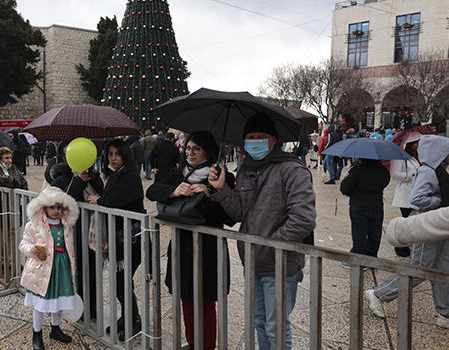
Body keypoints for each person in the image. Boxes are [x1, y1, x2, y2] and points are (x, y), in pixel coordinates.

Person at [208, 113, 316, 350]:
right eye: (250, 137)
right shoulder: (247, 169)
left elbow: (304, 218)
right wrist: (222, 189)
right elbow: (238, 213)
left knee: (276, 326)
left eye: (261, 136)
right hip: (252, 261)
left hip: (280, 264)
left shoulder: (292, 170)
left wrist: (270, 244)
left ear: (273, 140)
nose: (254, 141)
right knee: (259, 321)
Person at [146, 130, 235, 350]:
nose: (190, 152)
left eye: (196, 148)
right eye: (187, 147)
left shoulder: (221, 176)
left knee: (205, 303)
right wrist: (174, 191)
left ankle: (206, 346)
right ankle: (193, 342)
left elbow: (230, 218)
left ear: (208, 151)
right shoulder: (179, 173)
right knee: (185, 299)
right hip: (181, 245)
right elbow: (153, 191)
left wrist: (212, 193)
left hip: (208, 248)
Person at [365, 135, 449, 327]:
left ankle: (445, 313)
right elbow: (417, 199)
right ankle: (378, 294)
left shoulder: (440, 171)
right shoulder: (428, 172)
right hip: (426, 225)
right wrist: (442, 202)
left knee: (443, 269)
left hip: (440, 226)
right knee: (419, 269)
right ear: (440, 152)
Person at [86, 139, 146, 340]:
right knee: (121, 281)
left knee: (122, 280)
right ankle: (129, 316)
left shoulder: (129, 175)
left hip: (131, 238)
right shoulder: (115, 174)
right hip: (121, 238)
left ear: (125, 155)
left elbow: (115, 200)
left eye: (117, 154)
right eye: (110, 154)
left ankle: (134, 320)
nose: (113, 158)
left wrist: (100, 200)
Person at [19, 186, 79, 350]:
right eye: (52, 206)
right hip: (43, 269)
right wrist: (31, 250)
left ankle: (55, 328)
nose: (56, 210)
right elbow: (23, 243)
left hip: (62, 266)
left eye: (59, 207)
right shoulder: (34, 225)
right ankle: (36, 334)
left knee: (59, 301)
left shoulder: (66, 224)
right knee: (40, 304)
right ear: (43, 207)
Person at [50, 163, 104, 321]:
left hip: (95, 231)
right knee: (78, 269)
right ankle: (79, 305)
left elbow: (104, 196)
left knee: (94, 268)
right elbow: (61, 202)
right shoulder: (61, 179)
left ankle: (92, 304)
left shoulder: (95, 178)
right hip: (74, 233)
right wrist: (78, 181)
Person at [339, 158, 390, 263]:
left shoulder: (356, 170)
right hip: (377, 204)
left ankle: (359, 258)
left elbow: (344, 188)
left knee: (359, 233)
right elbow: (385, 182)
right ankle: (372, 256)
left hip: (359, 205)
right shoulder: (383, 170)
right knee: (375, 232)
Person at [389, 137, 421, 257]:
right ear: (409, 144)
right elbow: (395, 175)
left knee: (412, 222)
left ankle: (410, 246)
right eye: (415, 143)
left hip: (415, 194)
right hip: (405, 195)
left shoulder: (415, 158)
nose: (417, 145)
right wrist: (413, 174)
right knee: (407, 221)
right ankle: (402, 248)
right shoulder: (399, 157)